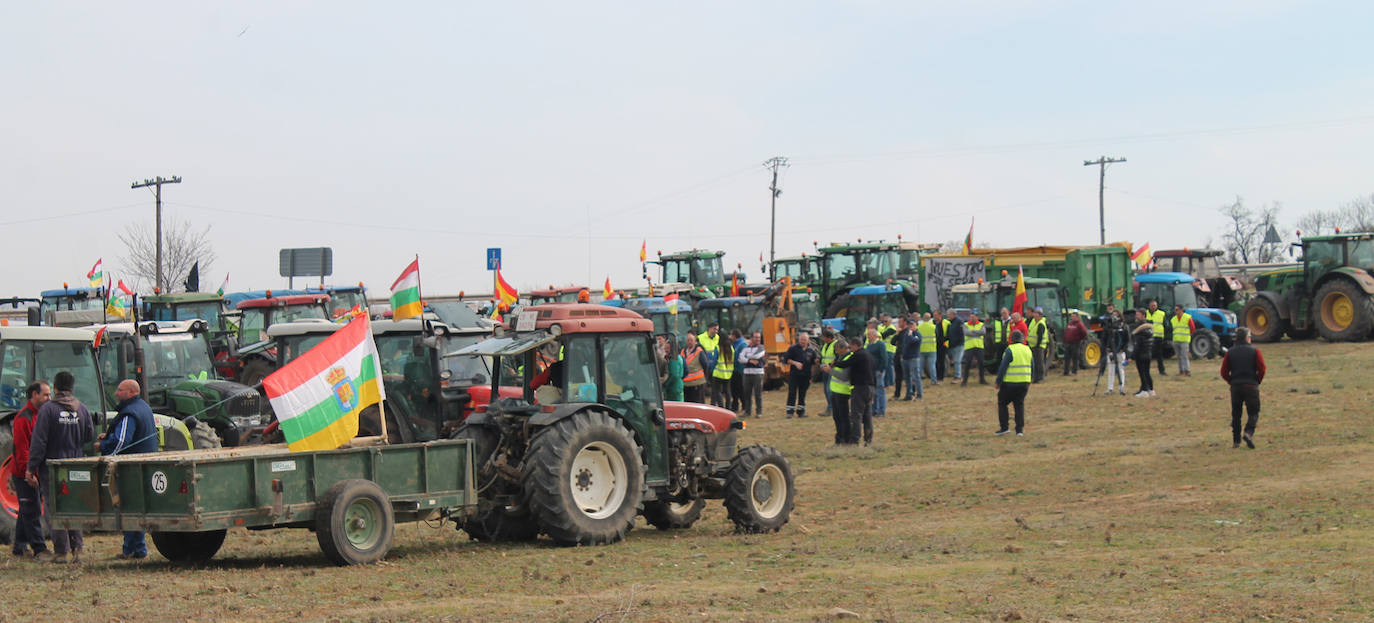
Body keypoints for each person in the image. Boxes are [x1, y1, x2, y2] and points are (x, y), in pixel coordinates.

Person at [26, 371, 94, 564]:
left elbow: (39, 442)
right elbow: (89, 435)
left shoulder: (47, 410)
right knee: (75, 507)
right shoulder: (82, 409)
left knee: (54, 508)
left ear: (55, 387)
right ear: (72, 387)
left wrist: (31, 468)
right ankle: (78, 550)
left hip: (53, 468)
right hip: (76, 465)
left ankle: (61, 552)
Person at [99, 379, 159, 559]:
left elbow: (122, 441)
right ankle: (136, 549)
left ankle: (131, 549)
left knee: (129, 508)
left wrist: (103, 448)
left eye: (120, 390)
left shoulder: (129, 413)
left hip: (132, 467)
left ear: (131, 392)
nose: (116, 393)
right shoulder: (143, 407)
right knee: (136, 507)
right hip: (144, 464)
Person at [10, 381, 51, 560]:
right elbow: (22, 449)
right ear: (34, 395)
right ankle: (39, 549)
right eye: (46, 395)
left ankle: (19, 546)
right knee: (32, 509)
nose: (49, 398)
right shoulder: (23, 418)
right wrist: (30, 473)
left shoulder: (40, 416)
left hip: (34, 471)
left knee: (27, 508)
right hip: (24, 473)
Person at [1220, 327, 1266, 449]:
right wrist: (1257, 380)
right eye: (1250, 336)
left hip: (1235, 387)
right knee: (1254, 412)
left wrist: (1231, 381)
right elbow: (1262, 368)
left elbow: (1223, 371)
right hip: (1251, 385)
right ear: (1246, 338)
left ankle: (1236, 441)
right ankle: (1248, 433)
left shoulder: (1230, 352)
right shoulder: (1255, 351)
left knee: (1236, 414)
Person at [836, 335, 876, 445]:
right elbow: (874, 373)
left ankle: (855, 440)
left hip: (860, 388)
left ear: (855, 345)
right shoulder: (869, 355)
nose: (850, 349)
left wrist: (834, 364)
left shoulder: (858, 355)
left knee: (856, 415)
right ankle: (868, 439)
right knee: (867, 415)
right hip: (870, 388)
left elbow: (845, 364)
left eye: (851, 346)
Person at [994, 331, 1033, 436]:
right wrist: (1030, 379)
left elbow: (1003, 367)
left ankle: (1004, 427)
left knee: (1002, 403)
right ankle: (1019, 430)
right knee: (1019, 405)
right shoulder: (1027, 349)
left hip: (1010, 383)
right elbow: (1032, 366)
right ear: (1022, 339)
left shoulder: (1010, 350)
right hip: (1024, 383)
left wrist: (998, 381)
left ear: (1011, 339)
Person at [784, 332, 817, 418]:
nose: (803, 341)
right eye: (801, 339)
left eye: (804, 340)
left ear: (808, 340)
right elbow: (786, 360)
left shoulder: (811, 351)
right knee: (792, 393)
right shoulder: (793, 348)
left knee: (802, 394)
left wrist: (812, 377)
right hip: (794, 375)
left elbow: (813, 364)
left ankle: (801, 412)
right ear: (799, 339)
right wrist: (795, 363)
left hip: (806, 376)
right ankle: (790, 412)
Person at [737, 331, 766, 417]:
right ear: (751, 338)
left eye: (759, 337)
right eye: (756, 337)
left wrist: (747, 357)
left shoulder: (761, 348)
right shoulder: (745, 348)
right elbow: (740, 358)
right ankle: (747, 411)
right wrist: (750, 360)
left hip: (758, 373)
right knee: (747, 393)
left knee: (758, 394)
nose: (758, 339)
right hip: (747, 373)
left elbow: (757, 356)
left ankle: (758, 412)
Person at [863, 328, 889, 418]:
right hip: (870, 371)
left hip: (878, 370)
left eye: (869, 335)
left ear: (874, 335)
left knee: (880, 390)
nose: (867, 336)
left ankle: (881, 410)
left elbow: (884, 358)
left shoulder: (880, 344)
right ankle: (874, 410)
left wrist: (881, 370)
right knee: (873, 392)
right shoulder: (868, 345)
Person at [1130, 308, 1155, 397]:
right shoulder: (1149, 328)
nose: (1136, 316)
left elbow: (1138, 345)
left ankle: (1144, 391)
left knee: (1142, 373)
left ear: (1143, 316)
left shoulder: (1140, 330)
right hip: (1148, 353)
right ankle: (1151, 389)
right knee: (1147, 372)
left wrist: (1132, 356)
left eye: (1138, 315)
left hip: (1141, 354)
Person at [898, 317, 923, 399]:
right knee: (907, 377)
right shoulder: (907, 334)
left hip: (913, 358)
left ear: (916, 325)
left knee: (916, 376)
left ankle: (919, 394)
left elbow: (914, 341)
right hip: (905, 358)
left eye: (912, 324)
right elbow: (904, 345)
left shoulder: (917, 334)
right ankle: (909, 394)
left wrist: (910, 335)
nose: (910, 326)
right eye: (909, 324)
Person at [680, 333, 708, 403]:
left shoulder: (699, 352)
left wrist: (705, 378)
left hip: (697, 384)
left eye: (691, 340)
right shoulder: (683, 351)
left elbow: (706, 365)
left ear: (695, 342)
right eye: (688, 340)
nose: (689, 342)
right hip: (686, 384)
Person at [698, 323, 723, 399]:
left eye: (717, 330)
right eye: (714, 329)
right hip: (704, 365)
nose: (716, 331)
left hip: (715, 366)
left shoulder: (718, 338)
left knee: (715, 387)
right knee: (703, 385)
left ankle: (714, 402)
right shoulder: (700, 337)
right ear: (709, 328)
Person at [962, 312, 987, 385]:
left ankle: (982, 380)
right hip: (969, 347)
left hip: (979, 346)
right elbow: (966, 333)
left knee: (981, 363)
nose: (972, 318)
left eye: (974, 317)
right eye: (971, 317)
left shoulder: (981, 324)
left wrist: (973, 331)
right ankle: (964, 381)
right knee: (967, 364)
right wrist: (977, 332)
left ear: (977, 317)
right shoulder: (965, 324)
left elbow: (983, 332)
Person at [1170, 304, 1195, 377]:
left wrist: (1188, 335)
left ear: (1181, 310)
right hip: (1176, 340)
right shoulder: (1173, 319)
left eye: (1177, 309)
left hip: (1184, 340)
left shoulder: (1187, 318)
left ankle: (1186, 371)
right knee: (1179, 357)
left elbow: (1192, 328)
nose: (1175, 311)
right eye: (1175, 310)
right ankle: (1181, 371)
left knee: (1184, 356)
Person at [1146, 300, 1169, 376]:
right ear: (1149, 306)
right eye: (1152, 305)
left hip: (1158, 337)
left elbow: (1166, 325)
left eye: (1155, 305)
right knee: (1148, 354)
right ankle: (1146, 370)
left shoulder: (1161, 314)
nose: (1153, 307)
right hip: (1148, 337)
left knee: (1159, 355)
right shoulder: (1146, 313)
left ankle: (1162, 370)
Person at [817, 329, 837, 417]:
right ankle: (830, 407)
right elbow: (824, 356)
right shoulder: (825, 345)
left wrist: (829, 365)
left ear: (828, 337)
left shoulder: (836, 345)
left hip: (831, 370)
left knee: (829, 390)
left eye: (823, 336)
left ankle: (831, 409)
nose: (822, 338)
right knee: (826, 390)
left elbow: (837, 357)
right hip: (824, 370)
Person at [710, 337, 734, 408]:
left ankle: (721, 407)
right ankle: (728, 407)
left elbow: (714, 361)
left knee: (717, 392)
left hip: (718, 373)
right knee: (727, 392)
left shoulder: (718, 348)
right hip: (728, 374)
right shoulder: (731, 349)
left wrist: (711, 369)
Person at [1027, 307, 1050, 383]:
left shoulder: (1041, 324)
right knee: (1035, 362)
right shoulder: (1033, 322)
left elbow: (1040, 336)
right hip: (1033, 346)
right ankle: (1036, 377)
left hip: (1039, 347)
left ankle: (1041, 378)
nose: (1034, 315)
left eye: (1036, 314)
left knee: (1040, 362)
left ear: (1039, 316)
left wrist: (1037, 345)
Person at [659, 335, 684, 401]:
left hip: (673, 389)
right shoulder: (676, 357)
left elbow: (674, 374)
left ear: (672, 348)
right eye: (665, 348)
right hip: (676, 387)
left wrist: (665, 384)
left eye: (668, 348)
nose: (666, 350)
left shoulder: (674, 359)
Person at [917, 314, 939, 385]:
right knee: (932, 366)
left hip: (922, 349)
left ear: (923, 319)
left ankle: (918, 380)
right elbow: (938, 336)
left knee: (920, 366)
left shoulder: (919, 327)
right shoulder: (933, 327)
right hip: (931, 349)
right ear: (930, 319)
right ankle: (934, 380)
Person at [728, 329, 746, 412]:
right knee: (734, 390)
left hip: (739, 370)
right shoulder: (734, 344)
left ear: (734, 336)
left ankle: (745, 405)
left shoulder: (742, 344)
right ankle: (735, 406)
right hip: (734, 370)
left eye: (731, 335)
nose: (730, 337)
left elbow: (740, 357)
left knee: (740, 389)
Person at [946, 314, 966, 383]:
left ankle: (958, 377)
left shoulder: (959, 322)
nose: (948, 316)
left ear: (953, 315)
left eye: (949, 315)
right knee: (955, 361)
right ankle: (957, 375)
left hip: (959, 345)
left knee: (957, 361)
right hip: (952, 345)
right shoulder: (950, 322)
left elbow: (961, 334)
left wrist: (957, 342)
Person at [932, 310, 949, 382]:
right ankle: (936, 376)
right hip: (934, 344)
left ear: (940, 315)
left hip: (943, 345)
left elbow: (949, 334)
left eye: (936, 315)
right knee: (935, 361)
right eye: (934, 315)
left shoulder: (946, 323)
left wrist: (945, 342)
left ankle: (941, 377)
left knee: (941, 361)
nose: (935, 317)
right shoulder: (932, 323)